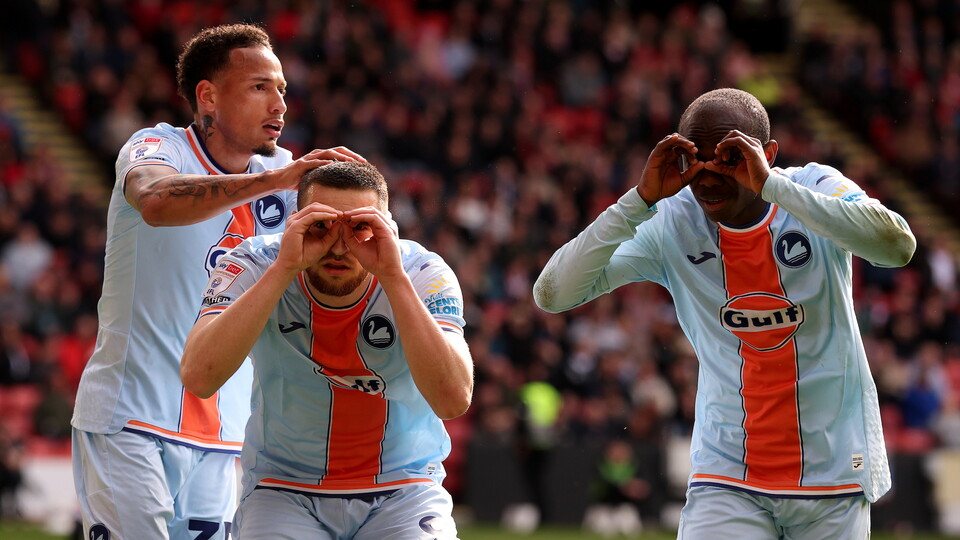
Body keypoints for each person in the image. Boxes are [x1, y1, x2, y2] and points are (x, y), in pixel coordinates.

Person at [533, 88, 917, 538]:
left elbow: (897, 247)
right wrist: (637, 201)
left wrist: (771, 184)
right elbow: (553, 294)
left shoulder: (813, 187)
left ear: (766, 153)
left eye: (729, 157)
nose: (710, 177)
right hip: (727, 475)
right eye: (697, 160)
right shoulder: (671, 220)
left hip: (832, 473)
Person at [70, 23, 364, 539]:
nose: (279, 104)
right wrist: (270, 181)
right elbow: (157, 202)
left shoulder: (290, 179)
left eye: (282, 89)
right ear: (207, 96)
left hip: (226, 434)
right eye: (259, 87)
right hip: (130, 417)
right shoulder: (156, 147)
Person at [180, 161, 474, 539]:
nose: (339, 246)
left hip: (404, 488)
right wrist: (285, 267)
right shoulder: (254, 262)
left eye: (358, 228)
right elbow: (199, 377)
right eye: (321, 225)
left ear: (386, 227)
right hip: (283, 488)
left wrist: (393, 276)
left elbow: (453, 400)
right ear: (295, 222)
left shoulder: (422, 273)